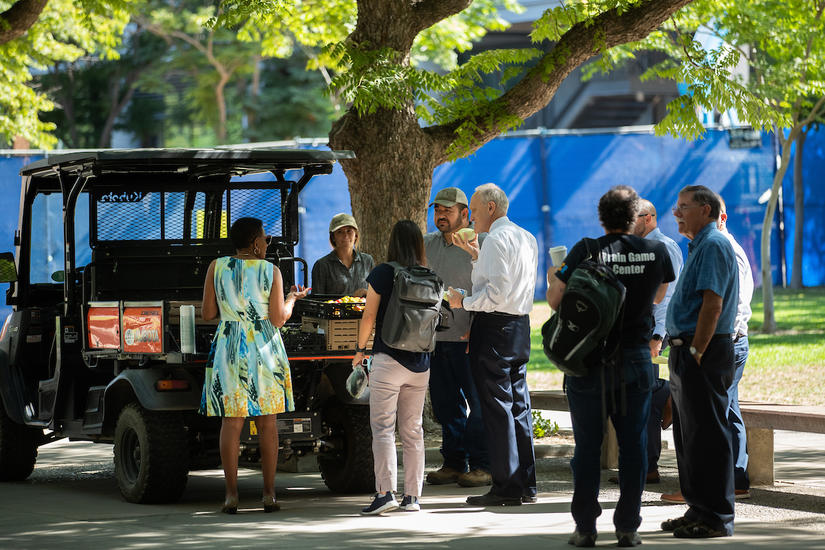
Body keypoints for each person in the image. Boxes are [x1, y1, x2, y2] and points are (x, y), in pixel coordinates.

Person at [546, 186, 674, 548]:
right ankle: (628, 528)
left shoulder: (587, 250)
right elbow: (658, 296)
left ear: (601, 218)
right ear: (635, 217)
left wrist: (557, 274)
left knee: (587, 447)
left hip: (589, 362)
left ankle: (585, 527)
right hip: (635, 360)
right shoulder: (655, 251)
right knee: (633, 446)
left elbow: (556, 302)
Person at [200, 217, 309, 514]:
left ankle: (231, 495)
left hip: (229, 347)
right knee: (267, 423)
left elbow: (208, 312)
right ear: (255, 242)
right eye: (265, 238)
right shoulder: (270, 271)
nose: (266, 243)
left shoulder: (216, 267)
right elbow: (277, 319)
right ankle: (269, 494)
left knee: (231, 422)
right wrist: (291, 299)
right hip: (264, 349)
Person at [447, 182, 538, 507]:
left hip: (495, 326)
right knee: (518, 405)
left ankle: (507, 485)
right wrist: (476, 257)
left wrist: (462, 301)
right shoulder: (525, 237)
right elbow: (506, 282)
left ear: (490, 207)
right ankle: (525, 483)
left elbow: (494, 294)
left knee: (497, 408)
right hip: (519, 326)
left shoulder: (497, 239)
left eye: (473, 208)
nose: (470, 216)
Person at [661, 195, 754, 503]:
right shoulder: (703, 246)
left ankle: (723, 487)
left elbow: (721, 305)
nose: (676, 213)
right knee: (723, 413)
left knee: (715, 418)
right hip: (716, 343)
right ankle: (722, 486)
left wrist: (698, 350)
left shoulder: (717, 247)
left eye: (684, 207)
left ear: (712, 214)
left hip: (720, 343)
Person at [353, 220, 434, 515]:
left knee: (383, 429)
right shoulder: (429, 275)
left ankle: (385, 492)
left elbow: (369, 316)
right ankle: (412, 497)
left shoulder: (383, 272)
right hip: (421, 363)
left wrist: (360, 351)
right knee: (413, 430)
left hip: (388, 359)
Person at [423, 187, 490, 487]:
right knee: (445, 405)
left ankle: (482, 464)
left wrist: (476, 328)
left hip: (470, 339)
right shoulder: (426, 244)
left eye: (447, 211)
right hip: (435, 340)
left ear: (465, 213)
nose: (440, 216)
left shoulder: (482, 243)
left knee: (478, 404)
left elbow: (491, 290)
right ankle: (453, 462)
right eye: (437, 210)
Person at [633, 199, 683, 484]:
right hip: (641, 329)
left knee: (645, 392)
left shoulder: (662, 247)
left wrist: (658, 336)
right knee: (642, 396)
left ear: (649, 217)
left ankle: (647, 467)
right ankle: (645, 466)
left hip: (654, 330)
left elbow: (668, 296)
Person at [311, 213, 375, 297]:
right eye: (339, 232)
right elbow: (317, 301)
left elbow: (375, 294)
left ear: (356, 235)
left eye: (349, 231)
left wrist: (367, 293)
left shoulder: (367, 261)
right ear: (333, 237)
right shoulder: (322, 265)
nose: (345, 236)